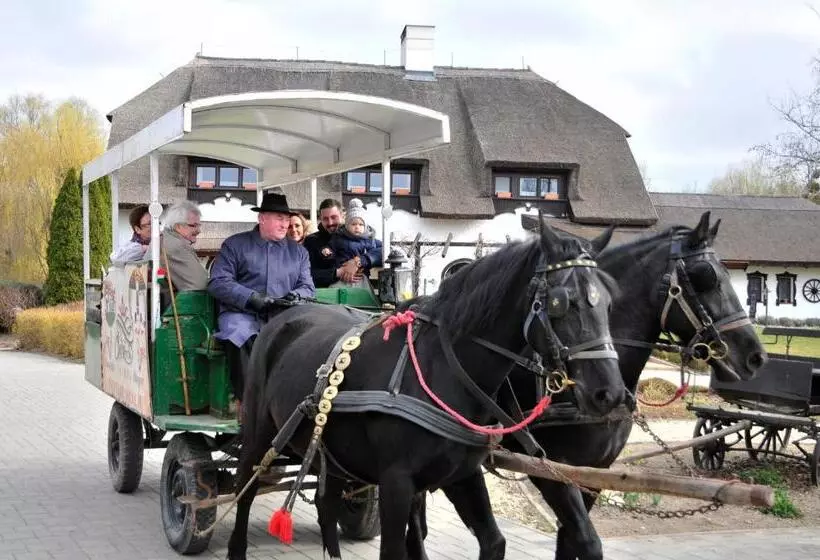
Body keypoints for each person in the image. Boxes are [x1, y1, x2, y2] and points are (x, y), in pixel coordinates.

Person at [207, 192, 315, 406]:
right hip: (241, 313)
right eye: (279, 218)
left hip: (282, 315)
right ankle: (249, 404)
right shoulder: (235, 245)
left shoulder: (299, 252)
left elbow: (308, 287)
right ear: (262, 218)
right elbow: (217, 282)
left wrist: (296, 296)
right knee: (240, 334)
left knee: (309, 341)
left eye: (286, 219)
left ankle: (295, 401)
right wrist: (251, 297)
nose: (285, 224)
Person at [303, 198, 362, 287]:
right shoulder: (311, 241)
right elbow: (306, 274)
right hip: (324, 296)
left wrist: (359, 261)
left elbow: (382, 251)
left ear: (342, 216)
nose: (330, 222)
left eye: (334, 217)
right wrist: (337, 273)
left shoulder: (356, 235)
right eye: (325, 219)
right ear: (321, 219)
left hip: (357, 292)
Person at [330, 198, 383, 288]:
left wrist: (363, 260)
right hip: (342, 278)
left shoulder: (370, 241)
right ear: (347, 225)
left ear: (365, 226)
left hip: (362, 277)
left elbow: (386, 249)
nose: (357, 227)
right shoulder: (339, 239)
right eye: (353, 224)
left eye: (361, 224)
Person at [157, 201, 208, 292]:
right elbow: (201, 283)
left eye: (199, 225)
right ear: (178, 226)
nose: (199, 230)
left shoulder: (164, 238)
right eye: (194, 225)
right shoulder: (177, 245)